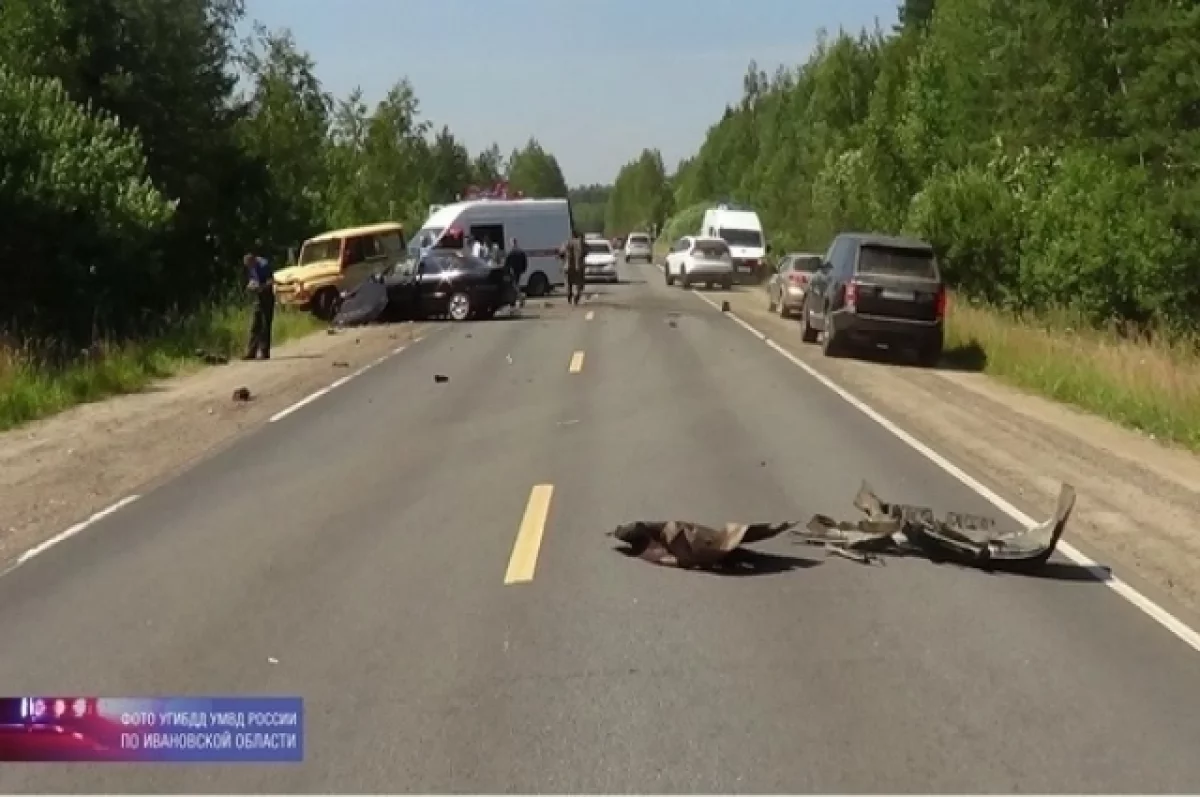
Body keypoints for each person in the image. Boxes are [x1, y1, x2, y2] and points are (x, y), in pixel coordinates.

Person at [243, 253, 275, 360]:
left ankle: (264, 352)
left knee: (265, 324)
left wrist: (262, 287)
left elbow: (271, 281)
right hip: (258, 296)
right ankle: (251, 352)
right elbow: (253, 279)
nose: (249, 268)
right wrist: (250, 285)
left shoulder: (264, 265)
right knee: (255, 324)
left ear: (253, 261)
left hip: (267, 295)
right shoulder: (251, 267)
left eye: (250, 265)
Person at [560, 230, 586, 306]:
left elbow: (561, 253)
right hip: (578, 267)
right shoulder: (581, 243)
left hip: (568, 266)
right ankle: (576, 296)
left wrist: (563, 260)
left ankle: (569, 294)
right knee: (579, 283)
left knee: (568, 282)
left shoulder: (566, 243)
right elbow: (585, 252)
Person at [504, 237, 528, 307]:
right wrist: (523, 269)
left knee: (514, 286)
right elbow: (525, 262)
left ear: (512, 243)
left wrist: (506, 271)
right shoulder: (521, 252)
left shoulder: (511, 253)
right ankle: (516, 301)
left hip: (513, 271)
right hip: (519, 271)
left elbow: (507, 264)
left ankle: (520, 299)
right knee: (516, 285)